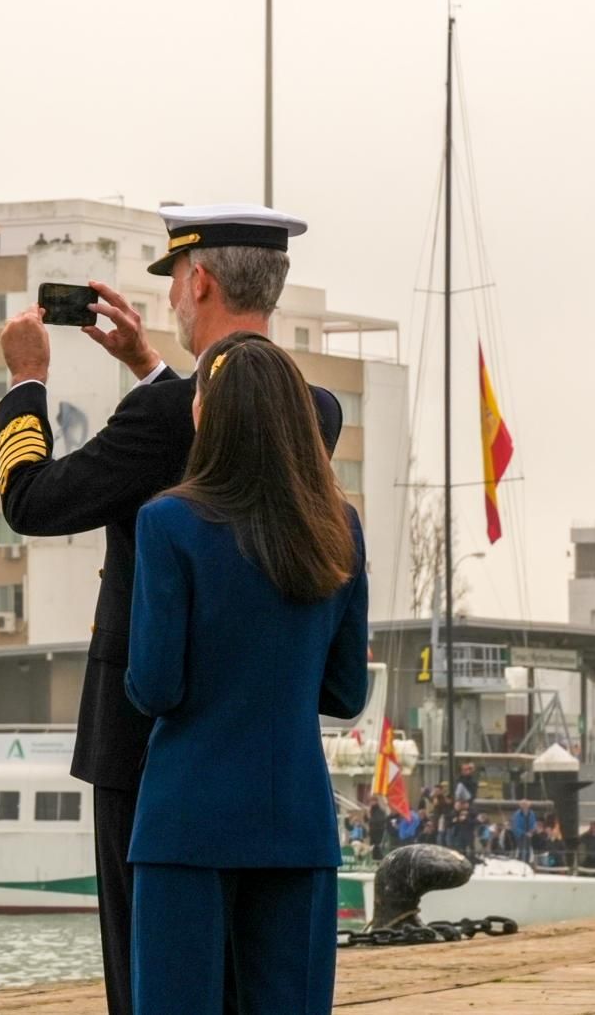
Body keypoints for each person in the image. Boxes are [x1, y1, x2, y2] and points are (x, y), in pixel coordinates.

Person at [0, 204, 343, 1015]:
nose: (176, 303)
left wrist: (26, 382)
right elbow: (213, 419)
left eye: (177, 285)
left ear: (201, 282)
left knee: (152, 985)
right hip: (273, 763)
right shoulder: (315, 413)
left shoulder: (160, 419)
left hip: (144, 747)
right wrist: (150, 367)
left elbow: (32, 500)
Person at [123, 334, 368, 1015]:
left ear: (211, 414)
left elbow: (156, 686)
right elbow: (347, 692)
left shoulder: (169, 523)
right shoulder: (338, 528)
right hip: (296, 818)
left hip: (186, 819)